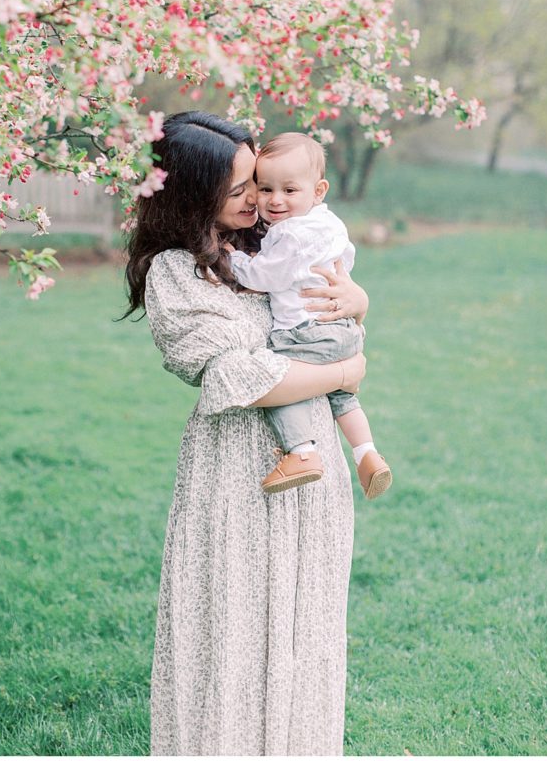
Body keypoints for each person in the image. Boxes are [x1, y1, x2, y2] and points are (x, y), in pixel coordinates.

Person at [124, 111, 368, 756]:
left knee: (306, 632)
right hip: (236, 476)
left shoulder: (277, 237)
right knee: (229, 637)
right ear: (191, 194)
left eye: (256, 183)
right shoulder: (175, 273)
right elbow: (241, 380)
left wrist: (357, 302)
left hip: (314, 466)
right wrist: (345, 369)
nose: (257, 199)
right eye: (239, 189)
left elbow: (328, 303)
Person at [229, 131, 392, 499]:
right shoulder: (329, 223)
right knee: (343, 397)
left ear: (318, 190)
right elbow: (345, 262)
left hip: (303, 333)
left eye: (289, 190)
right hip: (342, 330)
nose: (275, 200)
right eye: (266, 189)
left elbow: (263, 277)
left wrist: (232, 258)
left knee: (285, 385)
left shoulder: (290, 235)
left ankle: (301, 452)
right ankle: (367, 453)